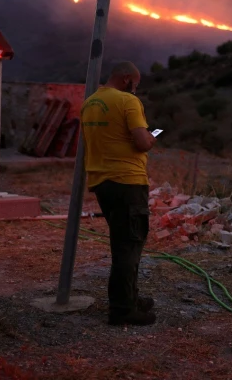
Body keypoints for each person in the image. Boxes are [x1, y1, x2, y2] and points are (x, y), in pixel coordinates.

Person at [80, 61, 157, 325]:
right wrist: (151, 138)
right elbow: (141, 141)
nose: (136, 88)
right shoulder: (127, 101)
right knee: (129, 246)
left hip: (102, 182)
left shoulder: (90, 103)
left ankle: (130, 297)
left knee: (122, 241)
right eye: (136, 83)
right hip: (127, 182)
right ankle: (123, 309)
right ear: (127, 79)